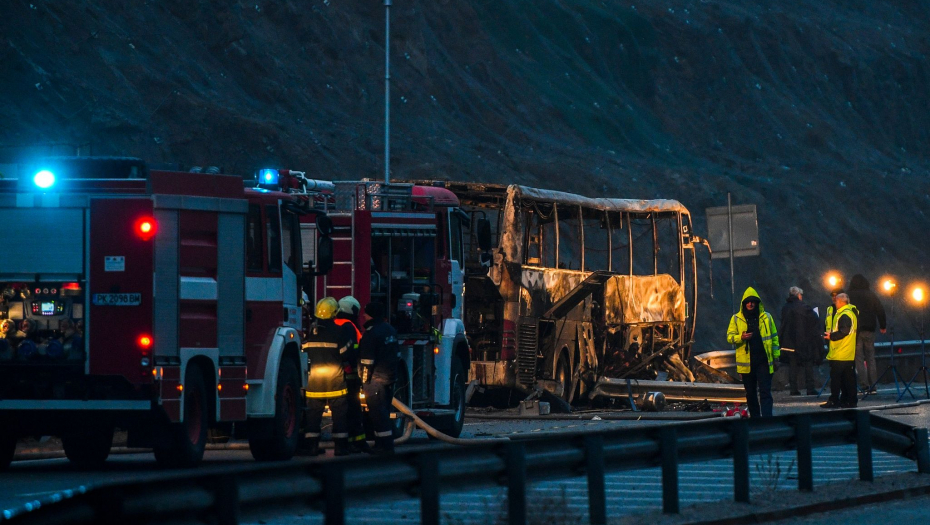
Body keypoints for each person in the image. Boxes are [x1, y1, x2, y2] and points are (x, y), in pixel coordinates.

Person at [302, 297, 353, 456]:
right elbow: (346, 354)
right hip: (335, 383)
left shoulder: (309, 333)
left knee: (312, 416)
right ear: (335, 314)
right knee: (339, 416)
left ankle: (311, 447)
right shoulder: (339, 332)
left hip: (313, 383)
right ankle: (341, 448)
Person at [727, 287, 780, 417]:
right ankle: (755, 419)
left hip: (763, 361)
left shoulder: (766, 317)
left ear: (757, 303)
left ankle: (767, 418)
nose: (750, 304)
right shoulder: (736, 319)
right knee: (750, 393)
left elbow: (774, 338)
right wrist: (741, 337)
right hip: (747, 363)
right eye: (748, 302)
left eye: (753, 301)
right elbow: (729, 337)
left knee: (765, 392)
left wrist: (776, 357)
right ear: (744, 303)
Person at [359, 301, 399, 455]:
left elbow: (367, 362)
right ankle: (380, 443)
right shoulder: (390, 330)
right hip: (389, 377)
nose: (363, 315)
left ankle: (385, 445)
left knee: (377, 412)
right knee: (384, 410)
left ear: (371, 315)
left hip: (375, 379)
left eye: (366, 313)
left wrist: (364, 381)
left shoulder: (371, 333)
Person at [334, 296, 369, 453]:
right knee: (353, 410)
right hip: (350, 375)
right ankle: (357, 442)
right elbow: (353, 350)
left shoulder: (332, 324)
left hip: (333, 374)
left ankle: (347, 441)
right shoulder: (349, 326)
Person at [848, 275, 887, 394]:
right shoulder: (871, 295)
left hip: (855, 330)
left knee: (858, 359)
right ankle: (873, 386)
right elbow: (880, 309)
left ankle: (864, 385)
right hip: (869, 329)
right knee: (870, 358)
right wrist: (882, 325)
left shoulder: (849, 295)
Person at [779, 286, 821, 396]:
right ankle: (810, 388)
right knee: (808, 364)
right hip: (804, 341)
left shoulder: (785, 307)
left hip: (789, 342)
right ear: (799, 295)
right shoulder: (804, 307)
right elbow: (814, 320)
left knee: (793, 366)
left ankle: (793, 389)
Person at [821, 293, 859, 408]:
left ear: (842, 302)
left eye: (836, 301)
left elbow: (844, 331)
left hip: (841, 352)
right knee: (848, 379)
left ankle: (834, 400)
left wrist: (831, 336)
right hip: (847, 352)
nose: (835, 303)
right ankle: (849, 400)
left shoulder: (845, 314)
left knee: (837, 379)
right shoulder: (850, 313)